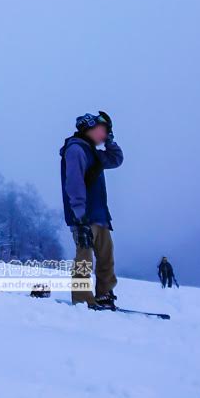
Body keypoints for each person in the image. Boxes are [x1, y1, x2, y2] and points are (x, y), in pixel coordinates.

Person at [60, 111, 124, 309]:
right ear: (89, 129)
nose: (104, 135)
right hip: (84, 216)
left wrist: (110, 140)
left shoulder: (94, 153)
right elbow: (74, 183)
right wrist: (79, 216)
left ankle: (104, 295)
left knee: (106, 258)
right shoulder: (76, 150)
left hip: (99, 215)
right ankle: (82, 298)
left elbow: (116, 160)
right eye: (103, 131)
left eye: (107, 132)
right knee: (84, 260)